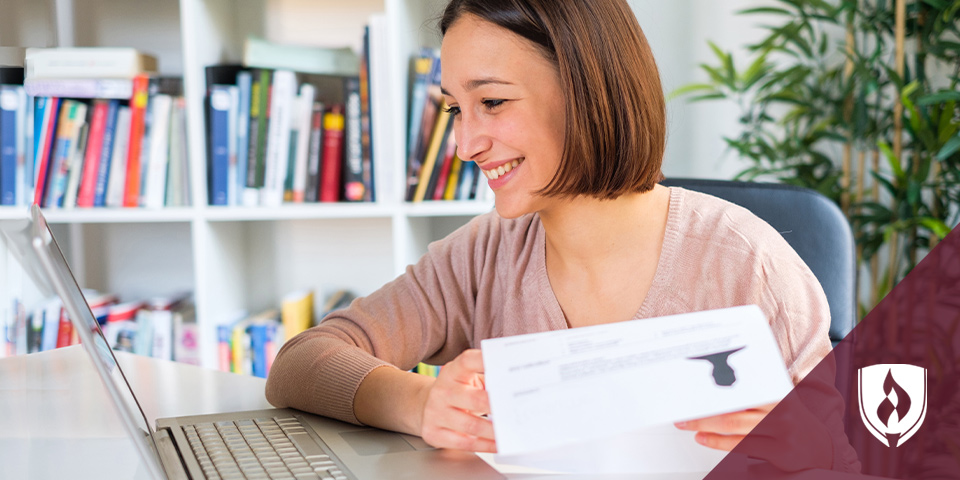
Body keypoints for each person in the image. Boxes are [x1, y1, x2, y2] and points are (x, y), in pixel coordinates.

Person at [266, 0, 857, 471]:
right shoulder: (482, 256)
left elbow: (850, 458)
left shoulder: (747, 263)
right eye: (455, 110)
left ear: (587, 90)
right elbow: (300, 363)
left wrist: (812, 450)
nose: (464, 145)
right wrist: (420, 404)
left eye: (492, 102)